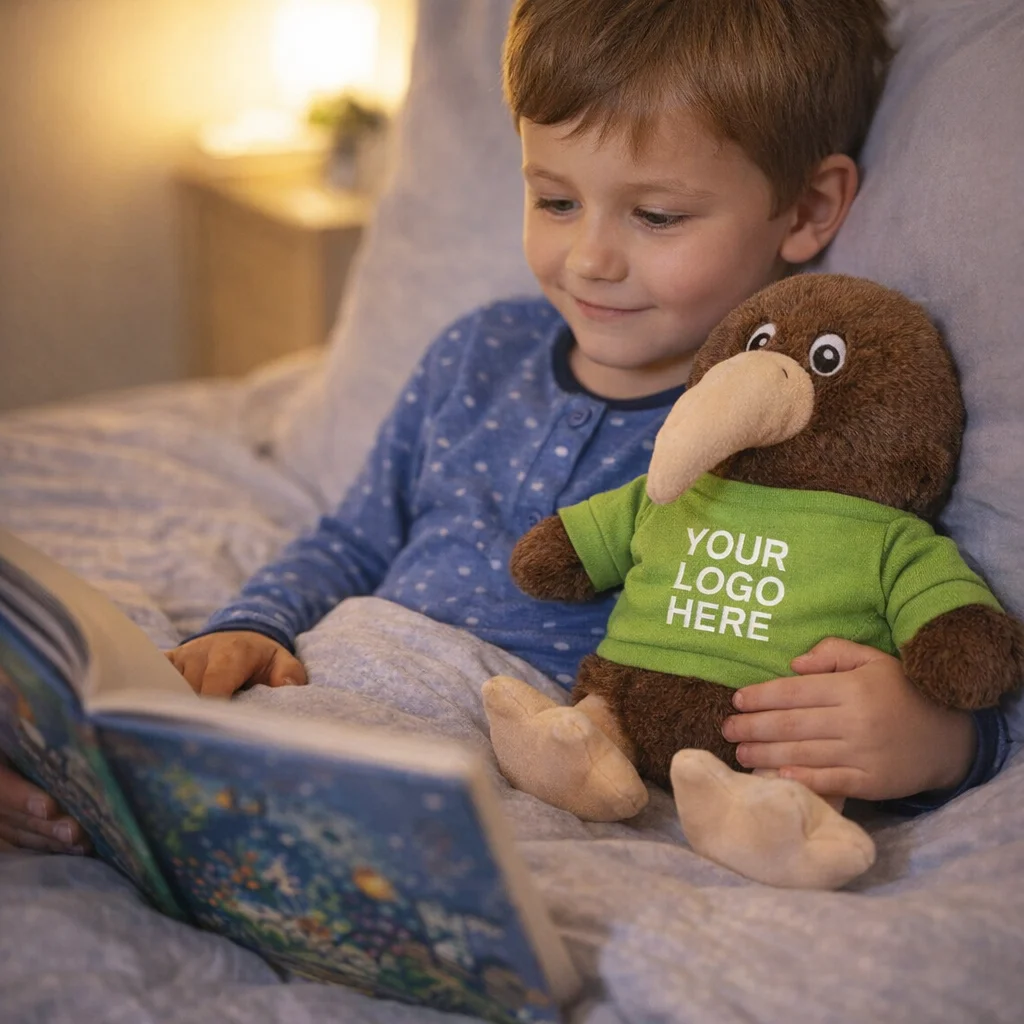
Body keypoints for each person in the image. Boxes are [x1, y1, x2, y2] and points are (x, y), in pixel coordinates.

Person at [1, 0, 1009, 856]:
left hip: (520, 759)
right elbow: (355, 535)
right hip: (342, 672)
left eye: (656, 216)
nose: (589, 260)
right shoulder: (473, 354)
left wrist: (945, 743)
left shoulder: (790, 446)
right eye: (554, 199)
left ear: (807, 208)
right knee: (81, 681)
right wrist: (251, 623)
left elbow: (907, 620)